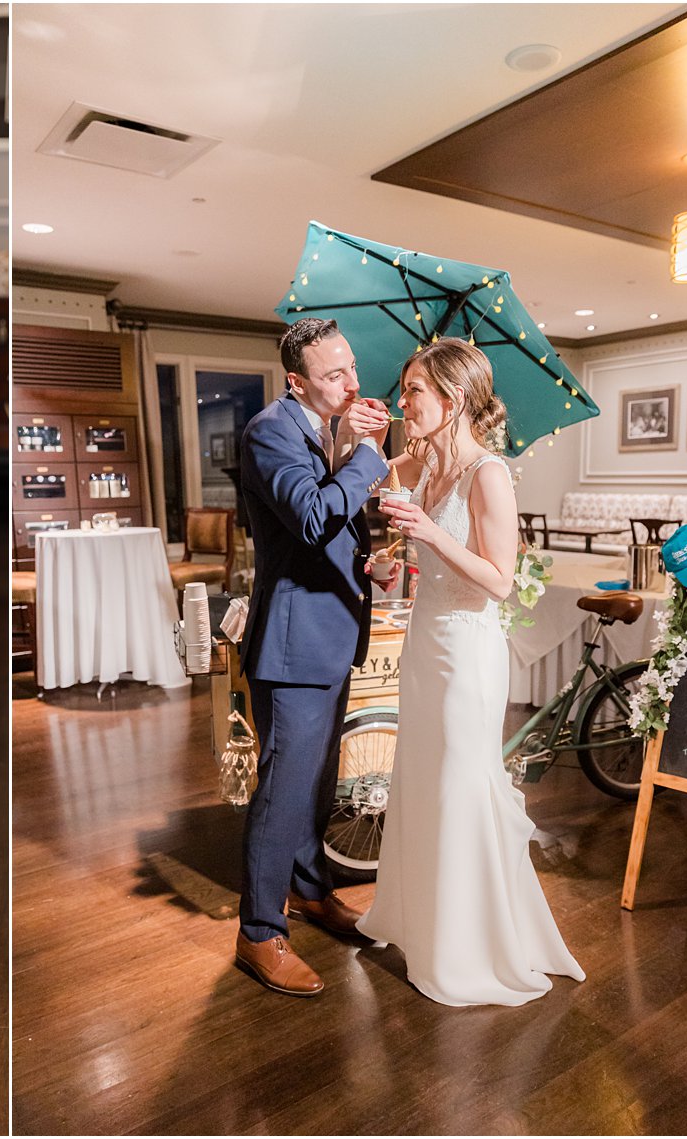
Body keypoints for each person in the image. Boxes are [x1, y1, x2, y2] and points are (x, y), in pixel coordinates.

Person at [356, 337, 585, 1006]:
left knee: (460, 787)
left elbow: (499, 582)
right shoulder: (427, 467)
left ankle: (465, 946)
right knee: (422, 784)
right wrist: (393, 565)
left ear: (453, 399)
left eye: (414, 392)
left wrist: (429, 533)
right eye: (404, 391)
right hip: (424, 647)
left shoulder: (490, 472)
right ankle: (415, 924)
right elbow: (401, 524)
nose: (404, 402)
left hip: (468, 655)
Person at [233, 317, 391, 997]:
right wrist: (369, 458)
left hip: (331, 635)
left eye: (351, 367)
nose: (352, 383)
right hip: (293, 646)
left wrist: (366, 561)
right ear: (295, 380)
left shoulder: (327, 430)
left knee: (320, 786)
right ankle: (258, 932)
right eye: (334, 374)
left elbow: (326, 534)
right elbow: (309, 514)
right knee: (284, 790)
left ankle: (308, 890)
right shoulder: (271, 429)